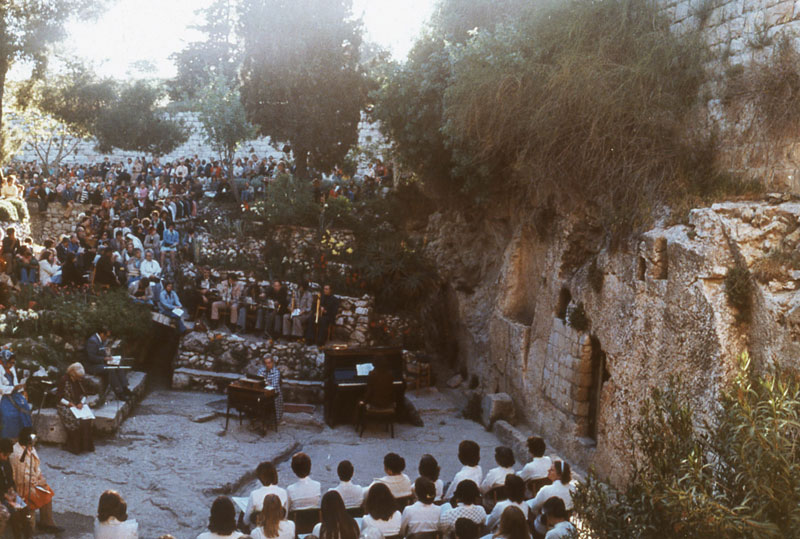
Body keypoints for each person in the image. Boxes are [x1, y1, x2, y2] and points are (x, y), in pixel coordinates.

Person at [11, 428, 60, 533]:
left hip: (32, 482)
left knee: (47, 491)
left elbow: (36, 467)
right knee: (43, 494)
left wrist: (40, 477)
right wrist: (37, 482)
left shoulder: (30, 448)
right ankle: (38, 525)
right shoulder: (18, 455)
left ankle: (46, 521)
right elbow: (22, 478)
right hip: (22, 487)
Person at [527, 462, 576, 538]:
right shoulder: (573, 489)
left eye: (552, 470)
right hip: (565, 525)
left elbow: (534, 508)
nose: (548, 470)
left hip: (545, 527)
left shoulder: (546, 490)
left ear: (559, 475)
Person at [83, 328, 132, 401]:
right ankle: (119, 392)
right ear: (102, 334)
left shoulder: (99, 340)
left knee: (117, 364)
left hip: (99, 362)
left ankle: (125, 388)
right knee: (110, 370)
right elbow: (91, 358)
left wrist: (108, 357)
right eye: (107, 336)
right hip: (92, 366)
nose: (107, 338)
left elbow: (101, 352)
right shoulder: (92, 341)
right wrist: (104, 359)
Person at [56, 362, 95, 454]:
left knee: (87, 418)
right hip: (65, 404)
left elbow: (84, 394)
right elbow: (59, 398)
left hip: (77, 404)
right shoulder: (64, 380)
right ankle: (75, 446)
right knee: (73, 420)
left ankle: (85, 446)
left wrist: (81, 402)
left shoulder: (79, 381)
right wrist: (69, 404)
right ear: (72, 373)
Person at [0, 438, 29, 538]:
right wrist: (5, 497)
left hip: (6, 494)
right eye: (5, 455)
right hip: (1, 496)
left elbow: (9, 479)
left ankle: (28, 536)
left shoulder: (5, 461)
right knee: (14, 513)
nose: (6, 458)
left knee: (25, 509)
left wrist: (12, 490)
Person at [0, 350, 32, 439]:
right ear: (3, 361)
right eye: (10, 362)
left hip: (14, 395)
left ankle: (23, 436)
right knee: (9, 415)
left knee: (25, 409)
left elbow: (15, 383)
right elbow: (0, 388)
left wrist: (21, 387)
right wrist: (13, 388)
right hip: (3, 397)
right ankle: (9, 439)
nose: (12, 365)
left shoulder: (12, 369)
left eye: (13, 363)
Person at [256, 356, 283, 423]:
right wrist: (266, 383)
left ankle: (271, 419)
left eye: (269, 363)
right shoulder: (261, 370)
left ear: (272, 363)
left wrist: (264, 382)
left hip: (274, 393)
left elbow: (273, 385)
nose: (267, 365)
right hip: (262, 391)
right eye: (266, 363)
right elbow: (258, 380)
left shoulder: (276, 372)